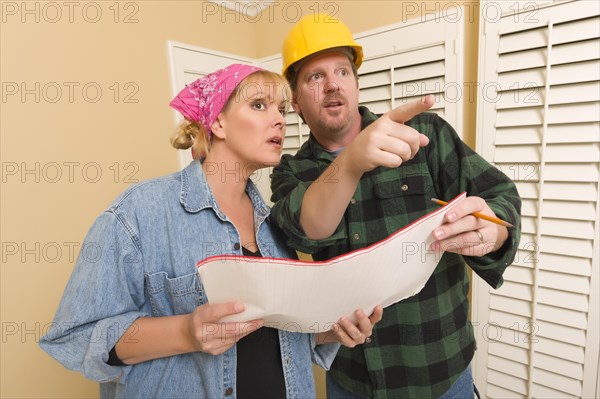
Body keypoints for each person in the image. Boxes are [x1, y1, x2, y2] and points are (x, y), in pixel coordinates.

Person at [39, 63, 383, 398]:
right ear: (217, 122)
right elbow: (76, 335)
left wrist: (333, 331)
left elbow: (275, 334)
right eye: (259, 105)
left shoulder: (274, 226)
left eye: (281, 109)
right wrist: (185, 332)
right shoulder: (139, 213)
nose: (278, 118)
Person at [270, 14, 522, 399]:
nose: (333, 84)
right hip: (352, 376)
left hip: (440, 368)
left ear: (355, 85)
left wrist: (495, 230)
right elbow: (306, 230)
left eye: (342, 71)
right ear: (297, 102)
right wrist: (351, 161)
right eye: (314, 77)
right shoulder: (292, 171)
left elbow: (500, 195)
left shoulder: (424, 135)